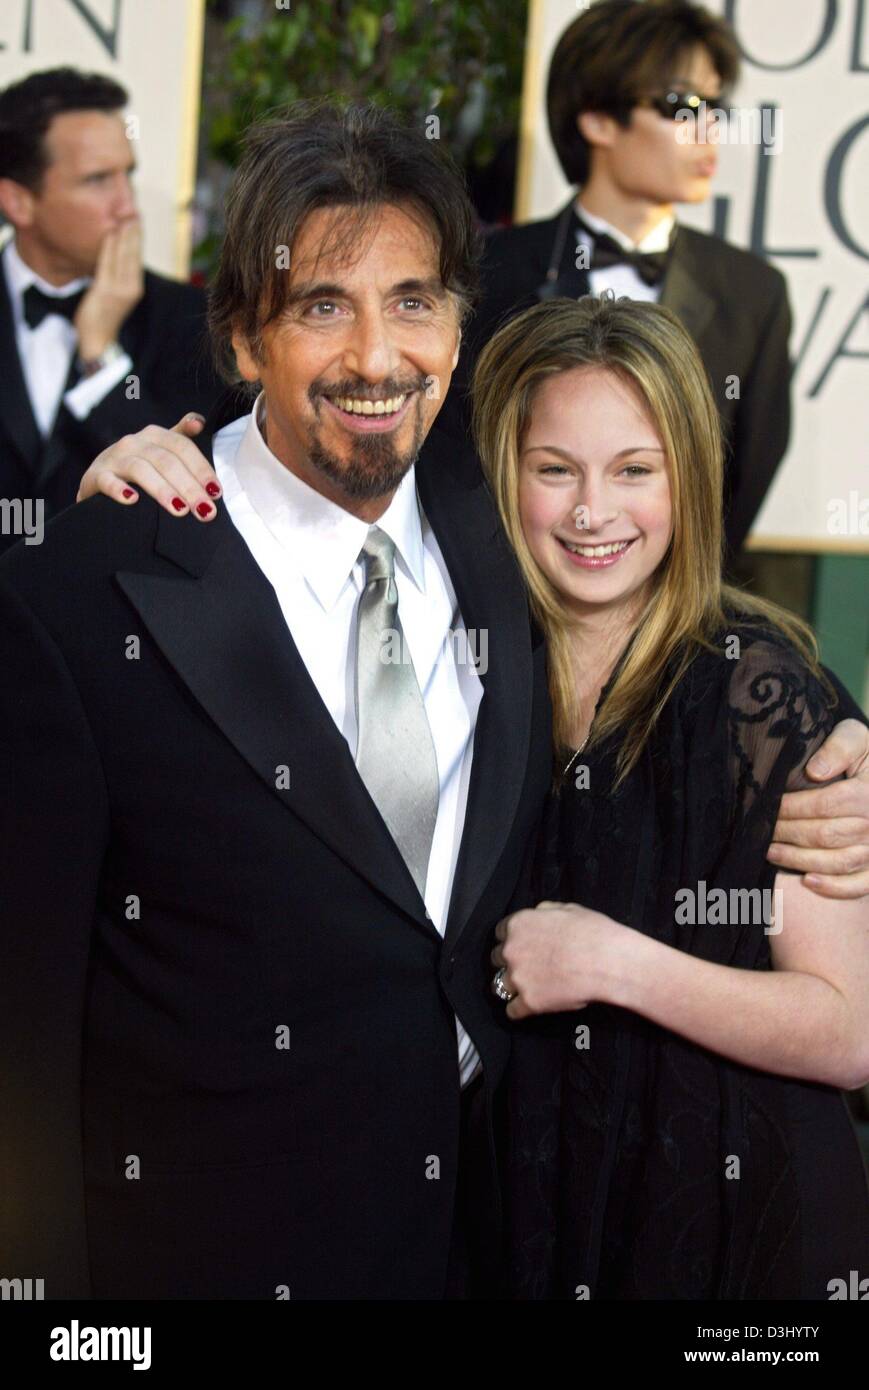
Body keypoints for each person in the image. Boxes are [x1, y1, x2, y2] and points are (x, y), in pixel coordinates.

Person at [52, 104, 869, 1299]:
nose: (592, 509)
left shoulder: (686, 656)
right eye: (323, 304)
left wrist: (837, 736)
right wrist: (121, 468)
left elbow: (844, 1016)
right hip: (449, 1218)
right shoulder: (471, 575)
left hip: (680, 1217)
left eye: (414, 303)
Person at [0, 99, 555, 1301]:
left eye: (412, 300)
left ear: (456, 329)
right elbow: (21, 1034)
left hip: (465, 1249)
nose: (374, 357)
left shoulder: (506, 530)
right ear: (244, 339)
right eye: (321, 306)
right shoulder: (86, 594)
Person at [474, 294, 869, 1299]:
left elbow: (845, 1030)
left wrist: (612, 962)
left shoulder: (757, 690)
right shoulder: (471, 670)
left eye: (633, 471)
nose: (589, 511)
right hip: (524, 1206)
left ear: (687, 480)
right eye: (552, 468)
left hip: (728, 1226)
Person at [443, 0, 791, 559]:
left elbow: (743, 480)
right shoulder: (487, 271)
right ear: (598, 118)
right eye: (683, 105)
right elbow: (454, 460)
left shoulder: (753, 294)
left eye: (716, 106)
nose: (710, 128)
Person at [0, 67, 221, 552]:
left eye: (129, 175)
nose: (128, 206)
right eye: (98, 180)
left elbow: (193, 496)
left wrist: (100, 356)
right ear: (17, 201)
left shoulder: (191, 319)